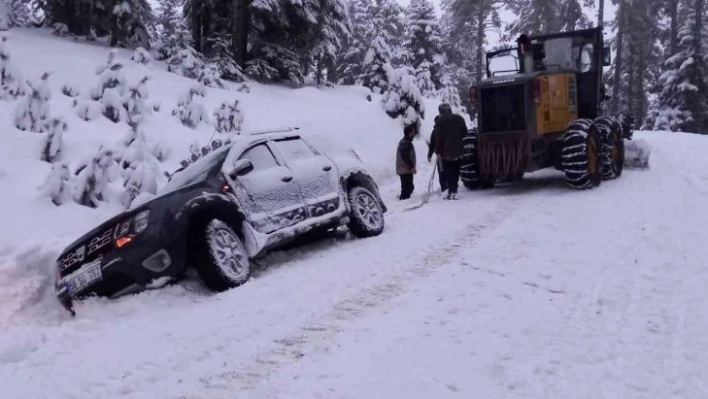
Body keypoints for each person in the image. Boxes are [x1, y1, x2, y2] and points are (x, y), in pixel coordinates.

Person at [432, 103, 467, 200]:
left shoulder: (440, 121)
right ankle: (454, 190)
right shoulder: (460, 118)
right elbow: (465, 133)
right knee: (455, 171)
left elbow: (438, 138)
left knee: (448, 172)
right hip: (459, 151)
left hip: (446, 152)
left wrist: (438, 151)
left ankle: (451, 191)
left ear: (440, 111)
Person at [396, 124, 417, 200]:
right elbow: (405, 156)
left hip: (405, 169)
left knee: (409, 187)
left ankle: (404, 200)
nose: (414, 133)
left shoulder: (405, 142)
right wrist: (411, 167)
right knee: (407, 188)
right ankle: (403, 201)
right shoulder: (405, 143)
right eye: (413, 132)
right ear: (409, 133)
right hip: (405, 169)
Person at [428, 115, 447, 193]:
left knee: (442, 171)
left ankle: (445, 187)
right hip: (444, 155)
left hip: (441, 155)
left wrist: (429, 155)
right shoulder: (443, 130)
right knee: (444, 171)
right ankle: (446, 187)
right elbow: (432, 144)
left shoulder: (435, 131)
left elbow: (432, 144)